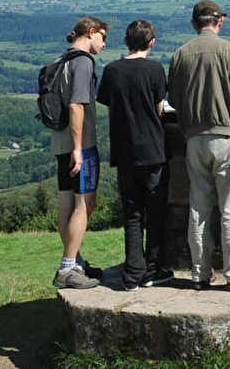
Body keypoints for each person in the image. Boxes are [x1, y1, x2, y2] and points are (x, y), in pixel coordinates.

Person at [167, 0, 230, 292]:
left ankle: (199, 273)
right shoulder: (229, 51)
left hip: (194, 139)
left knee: (199, 207)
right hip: (228, 138)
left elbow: (175, 99)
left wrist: (188, 127)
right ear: (219, 22)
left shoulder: (181, 54)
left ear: (194, 24)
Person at [96, 19, 174, 290]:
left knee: (132, 215)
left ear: (127, 41)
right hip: (152, 150)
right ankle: (153, 270)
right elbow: (160, 109)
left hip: (124, 150)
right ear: (151, 42)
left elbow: (109, 108)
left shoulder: (112, 70)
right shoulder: (154, 70)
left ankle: (132, 274)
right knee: (155, 213)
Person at [52, 16, 110, 290]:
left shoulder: (62, 60)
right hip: (80, 146)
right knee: (83, 205)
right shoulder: (84, 62)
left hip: (60, 143)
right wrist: (79, 148)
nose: (104, 43)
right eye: (102, 36)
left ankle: (75, 261)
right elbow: (77, 105)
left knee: (67, 203)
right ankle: (67, 268)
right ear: (90, 32)